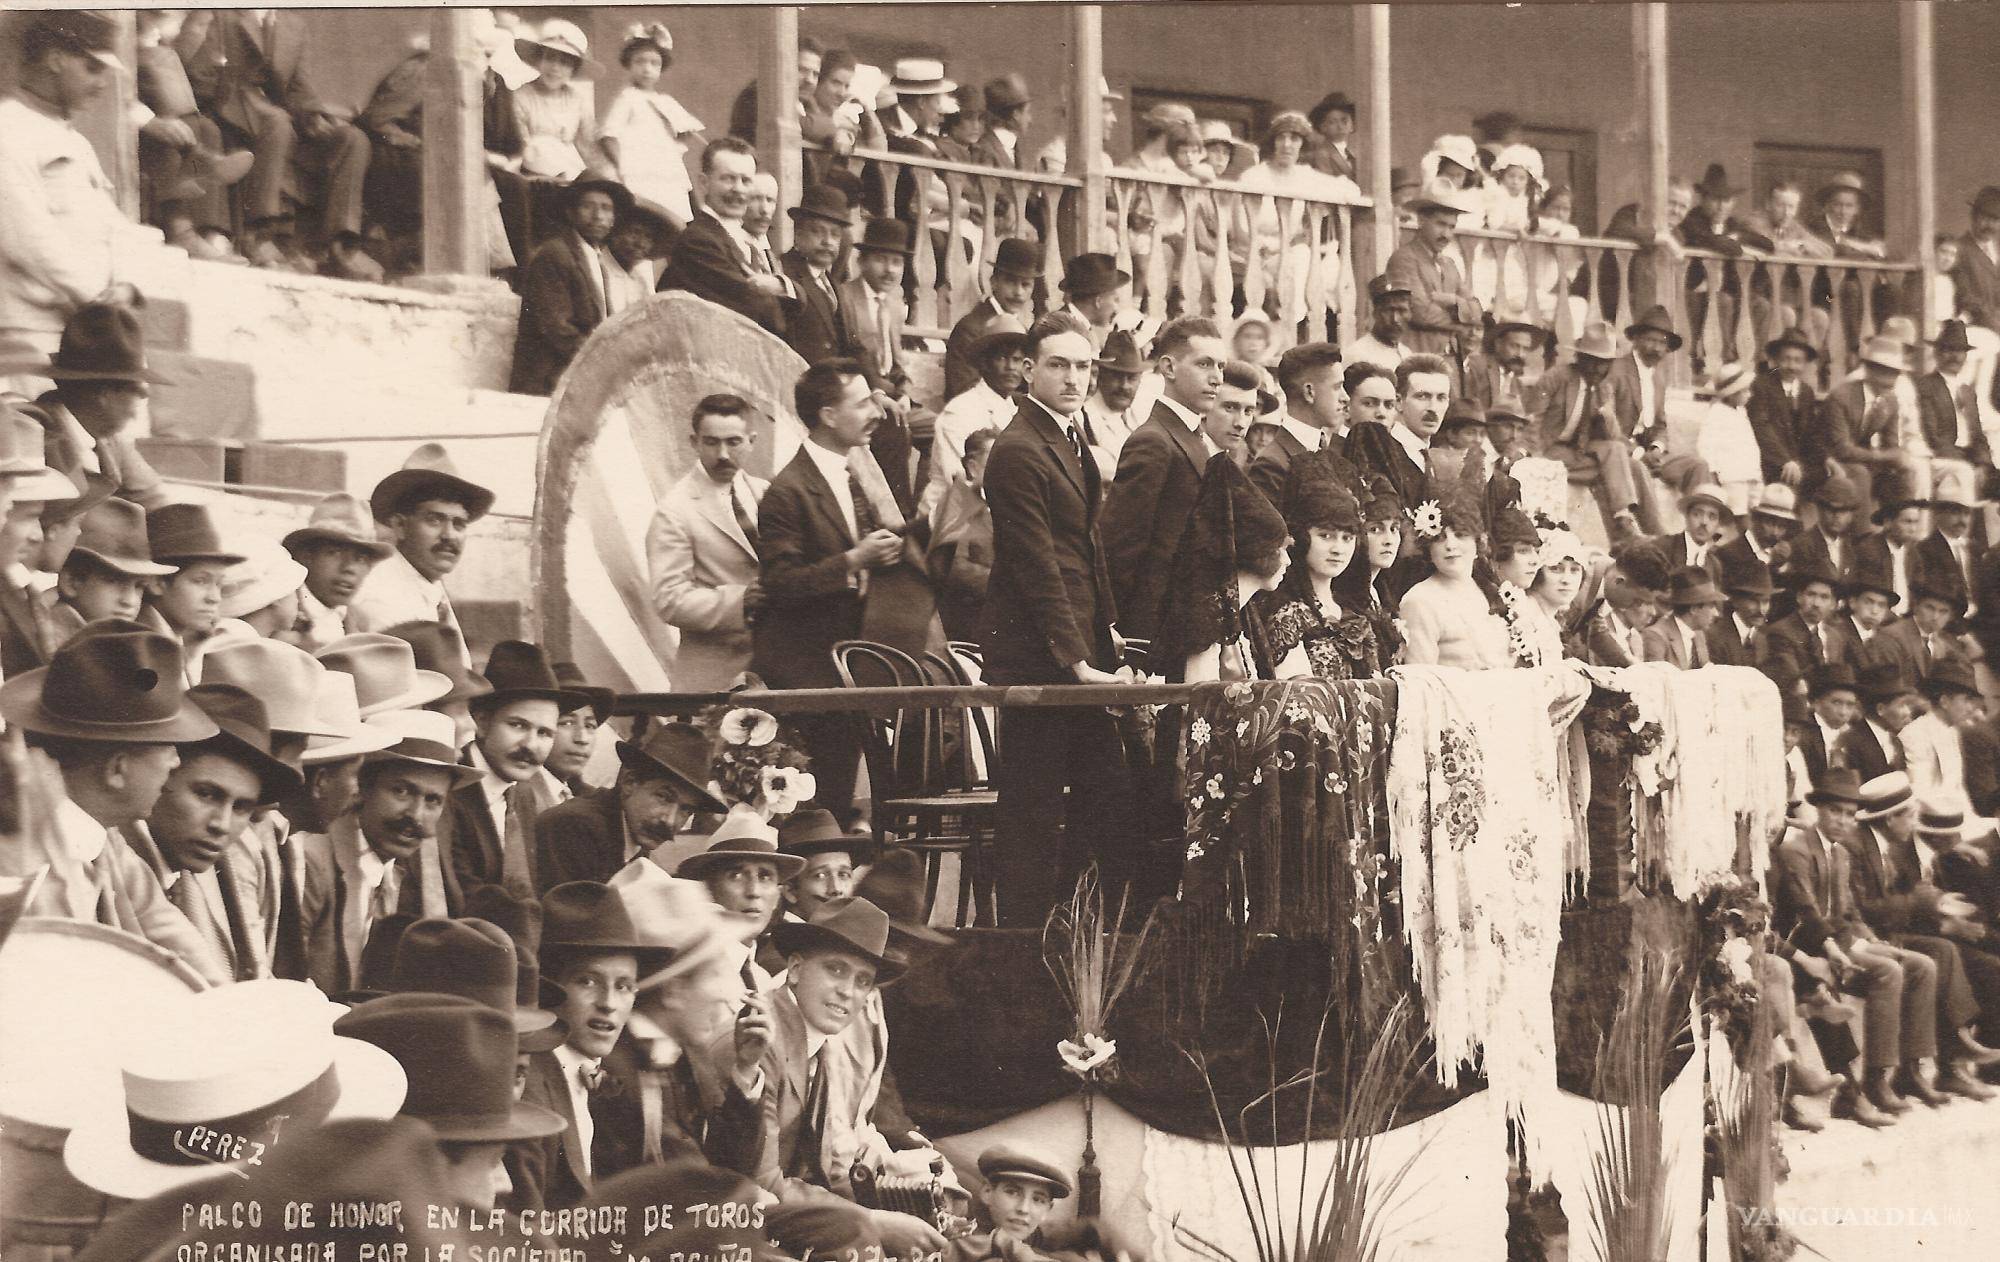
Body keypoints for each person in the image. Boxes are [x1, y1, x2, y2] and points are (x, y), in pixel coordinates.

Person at [982, 312, 1138, 927]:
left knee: (1106, 798)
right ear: (1027, 370)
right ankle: (1019, 937)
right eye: (1058, 365)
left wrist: (1109, 635)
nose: (1074, 378)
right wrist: (1076, 663)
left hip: (1078, 648)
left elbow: (1085, 551)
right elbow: (1036, 565)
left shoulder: (1070, 438)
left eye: (1082, 366)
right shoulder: (1019, 450)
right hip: (1038, 656)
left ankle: (1084, 929)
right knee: (1033, 803)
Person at [0, 622, 229, 982]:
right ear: (117, 769)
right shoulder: (18, 858)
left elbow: (188, 956)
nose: (175, 763)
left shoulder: (108, 845)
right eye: (168, 747)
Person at [752, 897, 953, 1259]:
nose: (849, 991)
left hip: (790, 1213)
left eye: (863, 981)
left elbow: (834, 1154)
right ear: (795, 969)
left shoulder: (824, 1042)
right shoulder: (761, 1037)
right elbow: (761, 1183)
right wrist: (870, 1220)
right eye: (836, 970)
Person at [752, 360, 901, 824]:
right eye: (861, 403)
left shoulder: (850, 474)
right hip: (808, 674)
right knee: (812, 813)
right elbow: (780, 585)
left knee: (835, 803)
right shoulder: (788, 490)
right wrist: (855, 560)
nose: (875, 412)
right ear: (828, 415)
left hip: (845, 670)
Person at [1771, 767, 1923, 1123]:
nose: (1841, 821)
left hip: (1833, 947)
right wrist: (1835, 952)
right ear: (1819, 811)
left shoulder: (1839, 854)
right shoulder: (1797, 851)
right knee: (1878, 972)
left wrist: (1870, 943)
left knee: (1904, 964)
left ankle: (1879, 1076)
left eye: (1848, 814)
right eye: (1834, 812)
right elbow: (1807, 911)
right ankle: (1854, 1091)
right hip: (1802, 948)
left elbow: (1849, 914)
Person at [1846, 772, 2000, 1102]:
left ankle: (1920, 1067)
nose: (1915, 823)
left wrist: (1931, 902)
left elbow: (1915, 892)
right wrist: (1924, 904)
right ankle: (1942, 1058)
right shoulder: (1860, 846)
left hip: (1894, 933)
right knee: (1940, 954)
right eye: (1911, 815)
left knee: (1942, 952)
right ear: (1890, 819)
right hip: (1871, 936)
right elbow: (1865, 908)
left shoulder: (1887, 845)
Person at [0, 12, 148, 351]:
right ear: (55, 59)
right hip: (28, 327)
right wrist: (97, 294)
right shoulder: (8, 128)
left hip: (83, 325)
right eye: (92, 68)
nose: (102, 83)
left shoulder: (75, 142)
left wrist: (125, 284)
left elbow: (113, 225)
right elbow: (25, 236)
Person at [295, 709, 470, 991]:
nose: (416, 815)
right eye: (401, 791)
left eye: (433, 801)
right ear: (362, 788)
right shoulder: (314, 861)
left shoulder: (404, 871)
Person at [180, 8, 371, 250]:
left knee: (352, 139)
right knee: (277, 122)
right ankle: (259, 234)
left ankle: (339, 245)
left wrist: (315, 116)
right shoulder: (224, 14)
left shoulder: (294, 25)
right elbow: (201, 75)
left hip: (280, 114)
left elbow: (299, 87)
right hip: (232, 105)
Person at [1102, 316, 1227, 645]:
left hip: (1189, 620)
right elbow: (1120, 546)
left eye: (1221, 366)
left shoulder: (1194, 437)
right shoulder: (1154, 441)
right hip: (1153, 627)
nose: (1217, 378)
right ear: (1169, 368)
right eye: (1204, 364)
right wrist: (1116, 628)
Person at [647, 394, 770, 693]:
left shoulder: (765, 491)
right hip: (714, 676)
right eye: (712, 442)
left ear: (751, 440)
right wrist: (739, 601)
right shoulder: (675, 510)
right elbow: (669, 600)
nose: (723, 454)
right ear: (694, 442)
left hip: (771, 667)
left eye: (734, 442)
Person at [448, 640, 582, 898]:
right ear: (483, 723)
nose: (530, 745)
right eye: (518, 725)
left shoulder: (526, 794)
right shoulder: (450, 788)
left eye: (544, 733)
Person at [13, 301, 172, 512]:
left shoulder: (109, 441)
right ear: (105, 393)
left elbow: (157, 503)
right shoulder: (32, 435)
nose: (136, 413)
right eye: (139, 394)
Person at [535, 723, 725, 891]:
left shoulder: (634, 837)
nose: (669, 820)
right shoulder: (575, 827)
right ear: (630, 783)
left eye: (686, 810)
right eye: (664, 798)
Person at [347, 446, 494, 660]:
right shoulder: (380, 595)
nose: (449, 535)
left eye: (459, 524)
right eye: (434, 520)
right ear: (400, 525)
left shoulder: (432, 588)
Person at [1157, 454, 1290, 683]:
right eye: (1280, 549)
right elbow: (1199, 702)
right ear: (1255, 553)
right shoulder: (1207, 621)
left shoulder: (1244, 614)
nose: (1287, 560)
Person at [1252, 452, 1382, 680]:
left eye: (1347, 538)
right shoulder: (1288, 615)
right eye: (1326, 536)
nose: (1338, 549)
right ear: (1302, 537)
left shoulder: (1353, 611)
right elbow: (1297, 700)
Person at [657, 137, 796, 336]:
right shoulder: (697, 240)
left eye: (746, 180)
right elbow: (758, 308)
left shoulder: (748, 242)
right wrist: (788, 293)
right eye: (728, 178)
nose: (738, 188)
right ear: (704, 183)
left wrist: (780, 285)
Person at [510, 178, 635, 396]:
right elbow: (557, 328)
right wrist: (605, 361)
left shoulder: (597, 258)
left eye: (606, 209)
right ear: (570, 213)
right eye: (588, 206)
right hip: (549, 379)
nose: (598, 216)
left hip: (583, 374)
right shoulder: (555, 254)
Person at [1398, 459, 1511, 670]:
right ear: (1428, 549)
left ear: (1478, 542)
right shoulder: (1419, 601)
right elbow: (1422, 681)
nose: (1450, 545)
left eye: (1460, 535)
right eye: (1439, 538)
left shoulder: (1487, 590)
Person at [676, 813, 802, 990]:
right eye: (736, 875)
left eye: (765, 876)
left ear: (777, 896)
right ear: (707, 889)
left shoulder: (763, 982)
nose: (753, 891)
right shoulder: (686, 975)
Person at [595, 23, 701, 226]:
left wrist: (678, 142)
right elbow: (608, 136)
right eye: (640, 62)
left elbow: (682, 134)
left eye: (654, 63)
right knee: (644, 216)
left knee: (674, 217)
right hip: (638, 169)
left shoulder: (666, 102)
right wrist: (623, 168)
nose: (647, 69)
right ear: (629, 65)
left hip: (665, 168)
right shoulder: (627, 98)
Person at [923, 318, 1027, 516]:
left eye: (1017, 359)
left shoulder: (1017, 411)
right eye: (1002, 358)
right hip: (951, 516)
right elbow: (959, 480)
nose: (1011, 367)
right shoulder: (961, 411)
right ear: (984, 363)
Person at [1384, 181, 1483, 363]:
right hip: (1417, 355)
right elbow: (1421, 313)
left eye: (1451, 227)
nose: (1446, 234)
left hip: (1449, 358)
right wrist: (1463, 318)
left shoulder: (1449, 264)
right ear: (1421, 220)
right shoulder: (1404, 258)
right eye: (1440, 224)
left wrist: (1455, 301)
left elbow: (1477, 311)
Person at [144, 502, 247, 673]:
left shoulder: (172, 640)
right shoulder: (142, 648)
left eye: (219, 584)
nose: (214, 598)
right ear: (157, 582)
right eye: (200, 581)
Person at [284, 492, 392, 650]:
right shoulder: (282, 618)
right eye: (334, 553)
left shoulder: (359, 623)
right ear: (306, 556)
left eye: (360, 559)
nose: (349, 567)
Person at [1820, 335, 1916, 510]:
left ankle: (1900, 526)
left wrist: (1898, 458)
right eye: (1883, 369)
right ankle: (1866, 535)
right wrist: (1881, 457)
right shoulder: (1842, 396)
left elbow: (1892, 444)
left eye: (1895, 371)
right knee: (1861, 473)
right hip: (1826, 459)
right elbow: (1842, 449)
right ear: (1869, 370)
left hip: (1860, 457)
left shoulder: (1890, 401)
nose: (1890, 377)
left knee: (1907, 470)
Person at [1347, 353, 1450, 512]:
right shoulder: (1378, 455)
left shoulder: (1441, 460)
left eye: (1441, 398)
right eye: (1422, 396)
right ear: (1399, 402)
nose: (1433, 407)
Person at [1248, 342, 1345, 506]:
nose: (1345, 397)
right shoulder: (1271, 466)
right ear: (1309, 392)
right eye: (1337, 387)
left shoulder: (1333, 453)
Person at [944, 238, 1039, 400]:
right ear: (993, 282)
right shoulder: (971, 328)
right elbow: (963, 388)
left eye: (1026, 284)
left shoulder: (1023, 330)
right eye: (1010, 282)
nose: (1018, 292)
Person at [927, 426, 998, 642]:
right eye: (997, 463)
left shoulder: (1014, 501)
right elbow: (957, 570)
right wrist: (1010, 585)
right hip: (969, 625)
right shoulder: (957, 504)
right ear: (974, 468)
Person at [780, 183, 856, 366]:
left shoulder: (834, 286)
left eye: (835, 234)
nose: (827, 241)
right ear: (798, 234)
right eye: (817, 231)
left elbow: (854, 346)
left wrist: (878, 388)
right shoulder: (783, 273)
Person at [1901, 659, 1983, 811]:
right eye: (1966, 700)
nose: (1971, 708)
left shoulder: (1952, 732)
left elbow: (1957, 789)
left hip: (1955, 818)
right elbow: (1921, 793)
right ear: (1945, 701)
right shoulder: (1916, 734)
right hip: (1932, 822)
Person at [1916, 320, 1990, 467]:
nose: (1955, 356)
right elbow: (1932, 436)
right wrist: (1965, 462)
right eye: (1948, 350)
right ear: (1937, 353)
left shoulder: (1967, 391)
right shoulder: (1927, 386)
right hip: (1943, 457)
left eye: (1960, 351)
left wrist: (1984, 463)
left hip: (1970, 457)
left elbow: (1978, 435)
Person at [1081, 331, 1148, 479]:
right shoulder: (1083, 420)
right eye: (1117, 377)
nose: (1124, 386)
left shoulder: (1139, 419)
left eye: (1131, 378)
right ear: (1101, 376)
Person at [1640, 566, 1725, 669]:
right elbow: (1658, 681)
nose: (1716, 613)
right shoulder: (1656, 636)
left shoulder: (1698, 633)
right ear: (1694, 609)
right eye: (1711, 606)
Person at [1051, 253, 1128, 352]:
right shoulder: (1065, 332)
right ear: (1098, 301)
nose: (1117, 309)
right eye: (1115, 300)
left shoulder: (1074, 324)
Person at [1952, 186, 2000, 335]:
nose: (1990, 225)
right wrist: (1996, 325)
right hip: (1976, 327)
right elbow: (1968, 299)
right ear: (1973, 217)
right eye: (1985, 218)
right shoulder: (1959, 250)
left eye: (1995, 219)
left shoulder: (1997, 249)